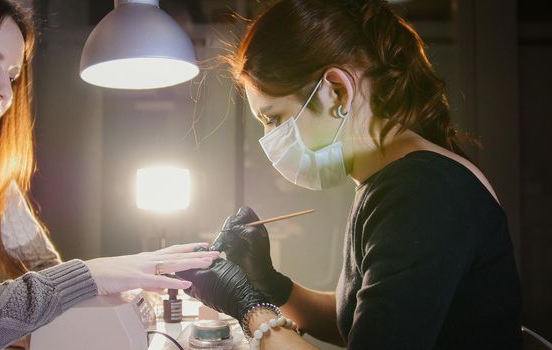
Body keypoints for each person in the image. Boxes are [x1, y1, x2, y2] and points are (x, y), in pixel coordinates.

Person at [177, 0, 522, 349]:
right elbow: (363, 324)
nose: (270, 142)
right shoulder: (391, 181)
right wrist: (270, 283)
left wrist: (249, 306)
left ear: (337, 91)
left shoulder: (422, 193)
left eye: (275, 119)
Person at [0, 1, 219, 349]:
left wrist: (122, 296)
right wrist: (91, 274)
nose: (4, 92)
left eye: (11, 76)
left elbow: (43, 270)